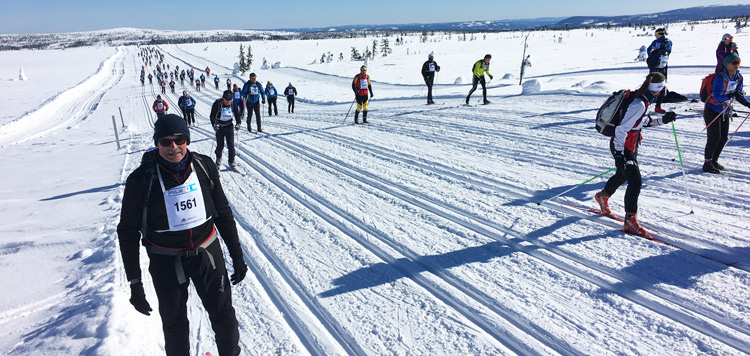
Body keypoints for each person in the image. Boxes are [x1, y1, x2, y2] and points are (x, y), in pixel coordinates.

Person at [117, 114, 247, 356]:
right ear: (157, 143)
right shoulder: (141, 179)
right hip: (166, 260)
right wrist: (135, 283)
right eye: (166, 141)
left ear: (186, 140)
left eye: (179, 139)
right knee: (175, 325)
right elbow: (127, 232)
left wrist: (237, 257)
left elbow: (223, 214)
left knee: (224, 316)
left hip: (207, 253)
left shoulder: (204, 166)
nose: (173, 147)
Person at [593, 72, 677, 237]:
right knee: (635, 181)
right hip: (623, 145)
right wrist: (618, 153)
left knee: (621, 176)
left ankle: (602, 197)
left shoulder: (644, 101)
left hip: (630, 144)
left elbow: (643, 122)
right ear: (657, 89)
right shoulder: (639, 103)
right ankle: (630, 221)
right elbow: (621, 129)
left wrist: (663, 120)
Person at [703, 52, 750, 173]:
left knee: (723, 138)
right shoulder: (720, 77)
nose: (737, 65)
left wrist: (748, 104)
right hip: (712, 109)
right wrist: (730, 94)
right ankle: (707, 163)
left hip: (725, 110)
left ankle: (714, 161)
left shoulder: (738, 77)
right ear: (726, 64)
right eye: (734, 62)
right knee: (714, 137)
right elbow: (717, 97)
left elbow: (738, 95)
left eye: (738, 62)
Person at [210, 90, 243, 168]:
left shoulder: (232, 104)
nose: (228, 102)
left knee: (231, 145)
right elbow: (212, 115)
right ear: (223, 98)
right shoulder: (217, 104)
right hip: (220, 127)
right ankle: (218, 159)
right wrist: (214, 124)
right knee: (220, 145)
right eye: (227, 100)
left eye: (230, 100)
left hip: (229, 126)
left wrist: (238, 123)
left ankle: (231, 161)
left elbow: (237, 115)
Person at [646, 28, 672, 113]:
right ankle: (658, 105)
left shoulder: (655, 42)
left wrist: (652, 56)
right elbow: (668, 52)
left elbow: (648, 50)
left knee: (651, 83)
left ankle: (647, 103)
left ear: (659, 34)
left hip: (654, 66)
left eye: (656, 33)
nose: (655, 35)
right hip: (662, 66)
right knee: (661, 84)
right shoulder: (668, 41)